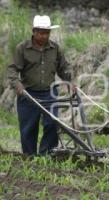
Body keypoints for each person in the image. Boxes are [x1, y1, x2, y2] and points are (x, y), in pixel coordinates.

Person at [7, 15, 73, 156]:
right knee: (29, 128)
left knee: (53, 124)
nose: (44, 36)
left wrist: (70, 79)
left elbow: (64, 68)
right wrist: (18, 85)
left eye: (47, 33)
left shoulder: (55, 48)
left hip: (49, 94)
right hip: (28, 94)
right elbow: (12, 69)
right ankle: (30, 158)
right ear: (34, 31)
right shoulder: (22, 48)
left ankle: (47, 155)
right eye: (41, 33)